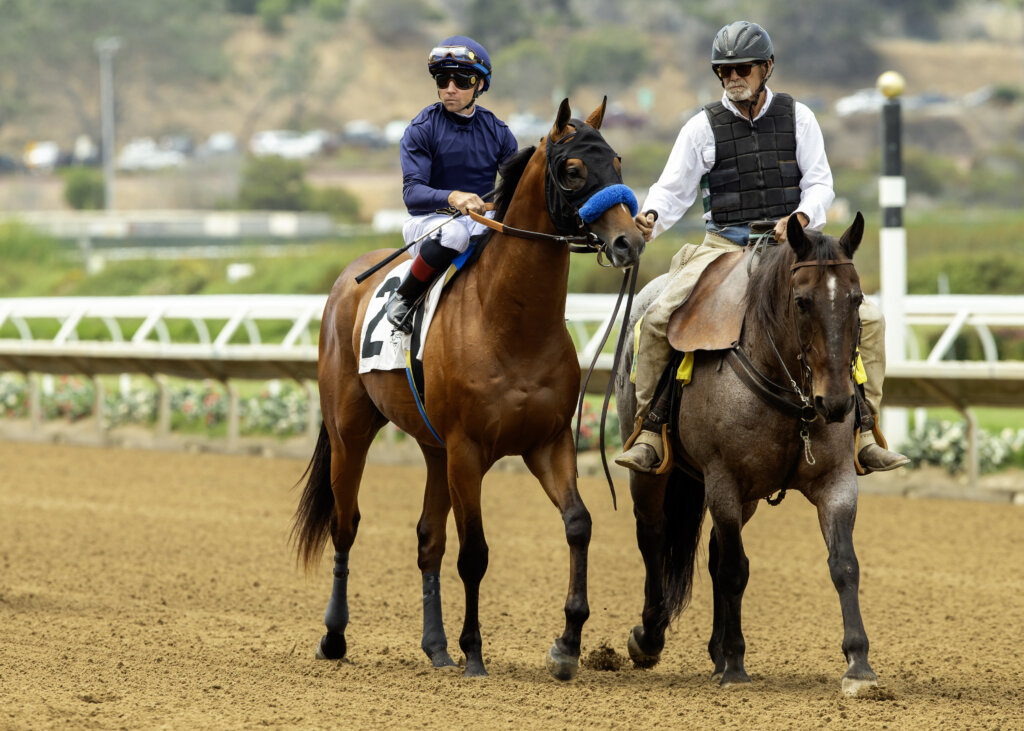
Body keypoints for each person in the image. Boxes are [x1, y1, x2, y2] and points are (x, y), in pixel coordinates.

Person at [615, 20, 910, 475]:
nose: (733, 77)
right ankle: (650, 430)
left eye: (743, 68)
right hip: (721, 247)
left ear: (767, 67)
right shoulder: (700, 127)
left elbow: (820, 184)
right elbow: (672, 189)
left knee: (870, 319)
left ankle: (866, 430)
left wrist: (801, 218)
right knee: (655, 319)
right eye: (724, 70)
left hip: (789, 251)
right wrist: (651, 216)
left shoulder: (800, 117)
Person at [385, 35, 519, 333]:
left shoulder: (499, 132)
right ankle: (403, 298)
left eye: (461, 80)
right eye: (442, 80)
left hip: (480, 220)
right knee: (455, 234)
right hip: (429, 223)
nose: (449, 88)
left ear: (479, 84)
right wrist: (454, 197)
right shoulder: (421, 129)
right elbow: (412, 194)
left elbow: (515, 190)